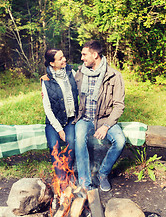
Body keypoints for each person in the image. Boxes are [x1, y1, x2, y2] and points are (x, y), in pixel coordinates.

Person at [73, 40, 126, 191]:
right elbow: (65, 86)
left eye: (84, 55)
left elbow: (119, 105)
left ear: (95, 55)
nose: (82, 58)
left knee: (120, 141)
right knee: (79, 139)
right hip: (84, 118)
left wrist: (106, 126)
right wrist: (48, 80)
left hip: (105, 119)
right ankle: (85, 182)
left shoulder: (114, 76)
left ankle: (103, 174)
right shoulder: (80, 73)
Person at [41, 49, 79, 182]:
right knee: (54, 146)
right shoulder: (46, 81)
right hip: (54, 121)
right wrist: (59, 129)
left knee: (71, 143)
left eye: (63, 57)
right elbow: (47, 108)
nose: (64, 60)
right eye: (60, 58)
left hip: (70, 119)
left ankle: (69, 172)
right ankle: (61, 179)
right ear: (52, 63)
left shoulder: (71, 73)